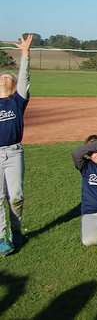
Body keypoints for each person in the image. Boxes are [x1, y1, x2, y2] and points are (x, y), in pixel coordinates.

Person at [0, 34, 32, 254]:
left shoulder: (17, 101)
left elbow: (24, 79)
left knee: (16, 196)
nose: (3, 77)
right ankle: (3, 237)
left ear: (13, 84)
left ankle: (16, 230)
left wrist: (25, 54)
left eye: (6, 76)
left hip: (14, 152)